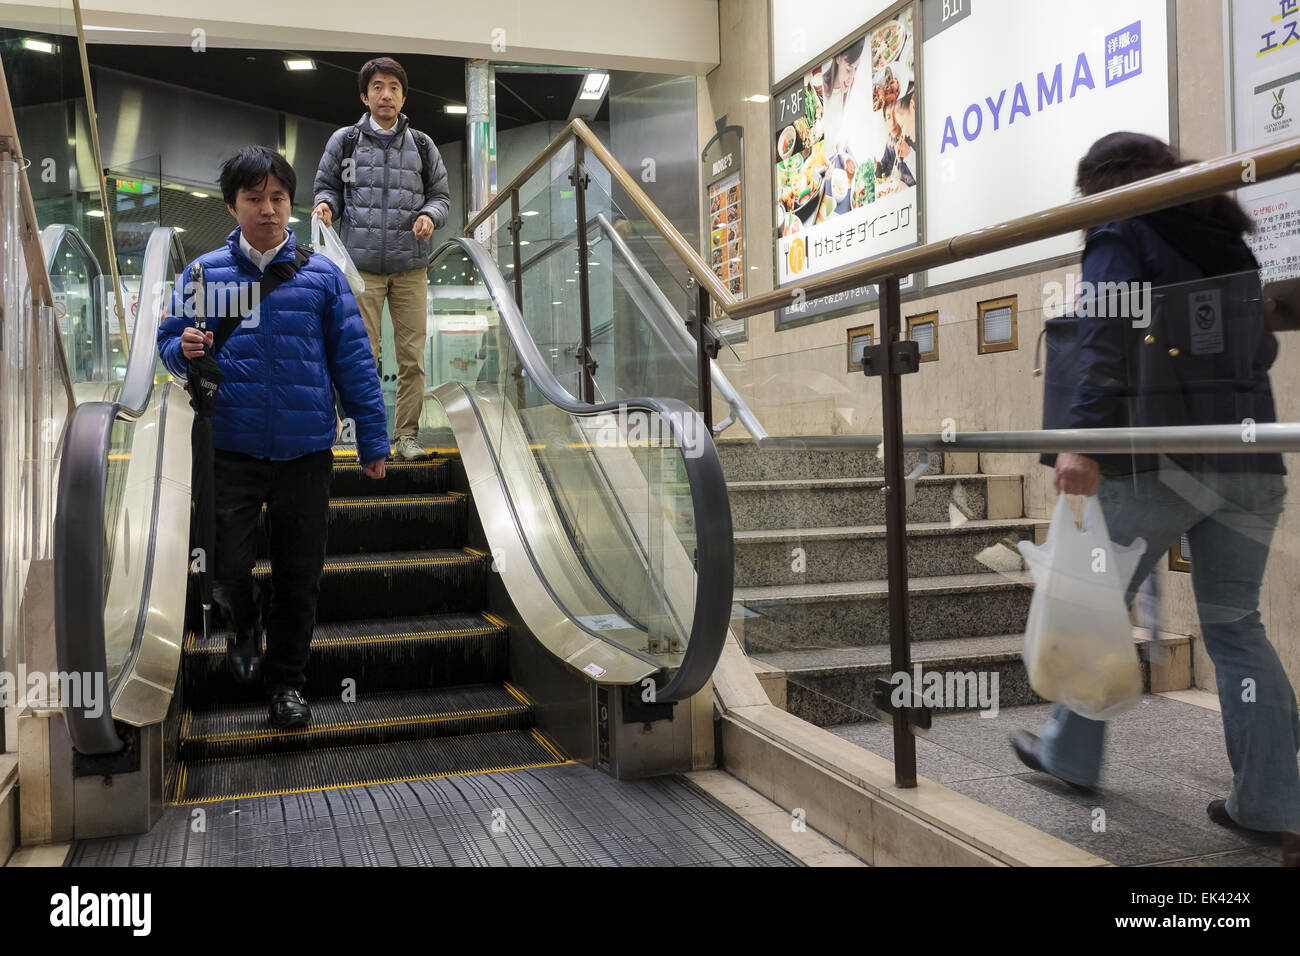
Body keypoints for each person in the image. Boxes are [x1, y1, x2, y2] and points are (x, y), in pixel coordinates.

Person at [1013, 131, 1299, 864]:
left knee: (1089, 608)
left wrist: (1081, 443)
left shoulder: (1123, 224)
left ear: (1106, 184)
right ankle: (1273, 800)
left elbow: (1102, 334)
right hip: (1250, 457)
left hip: (1158, 461)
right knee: (1237, 627)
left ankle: (1071, 755)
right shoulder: (1224, 235)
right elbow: (1261, 350)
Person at [157, 146, 389, 729]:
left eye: (278, 198)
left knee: (298, 576)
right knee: (226, 566)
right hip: (228, 447)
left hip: (305, 450)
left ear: (292, 203)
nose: (268, 210)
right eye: (254, 199)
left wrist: (372, 442)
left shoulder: (322, 277)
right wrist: (180, 353)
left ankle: (286, 686)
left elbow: (355, 364)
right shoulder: (204, 274)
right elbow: (167, 341)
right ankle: (242, 623)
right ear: (232, 206)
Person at [313, 56, 451, 461]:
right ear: (365, 95)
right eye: (377, 87)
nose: (385, 94)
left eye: (393, 86)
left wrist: (429, 215)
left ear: (404, 96)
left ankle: (407, 436)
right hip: (361, 270)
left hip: (411, 267)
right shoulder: (345, 141)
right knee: (360, 357)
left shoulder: (423, 146)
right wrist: (325, 206)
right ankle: (366, 437)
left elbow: (441, 197)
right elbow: (327, 187)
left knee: (412, 359)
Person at [877, 83, 917, 187]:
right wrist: (875, 166)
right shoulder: (892, 139)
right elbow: (885, 168)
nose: (893, 123)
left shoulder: (912, 134)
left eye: (895, 115)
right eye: (889, 117)